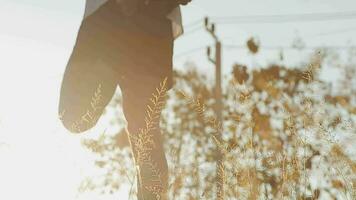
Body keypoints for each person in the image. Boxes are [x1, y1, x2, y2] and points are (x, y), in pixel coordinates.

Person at [58, 0, 191, 199]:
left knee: (144, 130)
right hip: (108, 20)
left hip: (151, 25)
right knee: (73, 116)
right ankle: (114, 62)